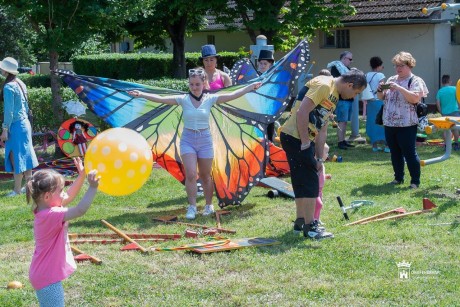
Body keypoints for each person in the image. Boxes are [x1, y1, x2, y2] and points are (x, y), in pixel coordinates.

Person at [128, 69, 261, 219]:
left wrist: (250, 87)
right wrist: (142, 94)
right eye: (191, 84)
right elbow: (160, 98)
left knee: (205, 176)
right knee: (191, 174)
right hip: (188, 140)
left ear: (204, 83)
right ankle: (191, 207)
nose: (194, 87)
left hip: (205, 140)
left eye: (197, 84)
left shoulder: (210, 98)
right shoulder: (183, 99)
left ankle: (209, 205)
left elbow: (232, 95)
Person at [280, 69, 366, 240]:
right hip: (294, 136)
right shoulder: (325, 85)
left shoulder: (334, 95)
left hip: (301, 138)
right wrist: (305, 142)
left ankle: (300, 221)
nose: (354, 97)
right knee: (310, 181)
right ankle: (311, 227)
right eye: (355, 92)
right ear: (349, 85)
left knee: (301, 179)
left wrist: (319, 157)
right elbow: (302, 112)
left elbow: (322, 129)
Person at [28, 158, 99, 307]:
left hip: (43, 273)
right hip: (47, 277)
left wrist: (81, 176)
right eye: (60, 191)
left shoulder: (45, 209)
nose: (63, 194)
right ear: (47, 196)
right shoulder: (51, 215)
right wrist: (92, 187)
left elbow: (70, 195)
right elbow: (80, 210)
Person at [377, 51, 428, 189]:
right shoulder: (391, 79)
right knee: (394, 152)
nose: (398, 68)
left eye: (401, 65)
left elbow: (415, 99)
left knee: (409, 153)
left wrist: (399, 88)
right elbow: (382, 98)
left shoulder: (415, 80)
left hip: (407, 123)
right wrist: (380, 90)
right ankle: (398, 178)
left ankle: (415, 181)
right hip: (389, 122)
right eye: (396, 65)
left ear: (409, 65)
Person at [0, 57, 39, 196]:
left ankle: (17, 190)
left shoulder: (9, 86)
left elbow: (9, 111)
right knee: (25, 156)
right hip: (24, 123)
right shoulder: (20, 82)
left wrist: (5, 130)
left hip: (16, 126)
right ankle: (30, 188)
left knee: (15, 157)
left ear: (5, 70)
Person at [327, 51, 356, 150]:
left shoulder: (347, 69)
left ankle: (343, 140)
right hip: (342, 99)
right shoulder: (336, 68)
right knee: (341, 121)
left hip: (349, 98)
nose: (351, 61)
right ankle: (340, 142)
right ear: (343, 58)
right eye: (350, 59)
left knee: (345, 121)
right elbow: (340, 82)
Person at [365, 56, 390, 153]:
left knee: (372, 121)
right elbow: (382, 87)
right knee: (383, 121)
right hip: (379, 100)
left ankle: (374, 146)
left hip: (370, 101)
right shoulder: (380, 75)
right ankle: (387, 146)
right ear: (379, 65)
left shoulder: (366, 75)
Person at [436, 74, 460, 150]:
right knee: (455, 129)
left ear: (442, 82)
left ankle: (446, 145)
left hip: (445, 114)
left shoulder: (440, 91)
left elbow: (438, 103)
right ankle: (456, 144)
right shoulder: (455, 89)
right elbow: (458, 99)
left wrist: (441, 112)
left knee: (445, 129)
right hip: (455, 112)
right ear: (450, 81)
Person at [314, 143, 329, 225]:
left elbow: (321, 175)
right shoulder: (316, 165)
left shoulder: (322, 165)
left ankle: (317, 218)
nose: (328, 154)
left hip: (320, 191)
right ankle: (313, 219)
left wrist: (326, 176)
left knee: (318, 207)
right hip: (314, 190)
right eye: (326, 152)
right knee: (318, 205)